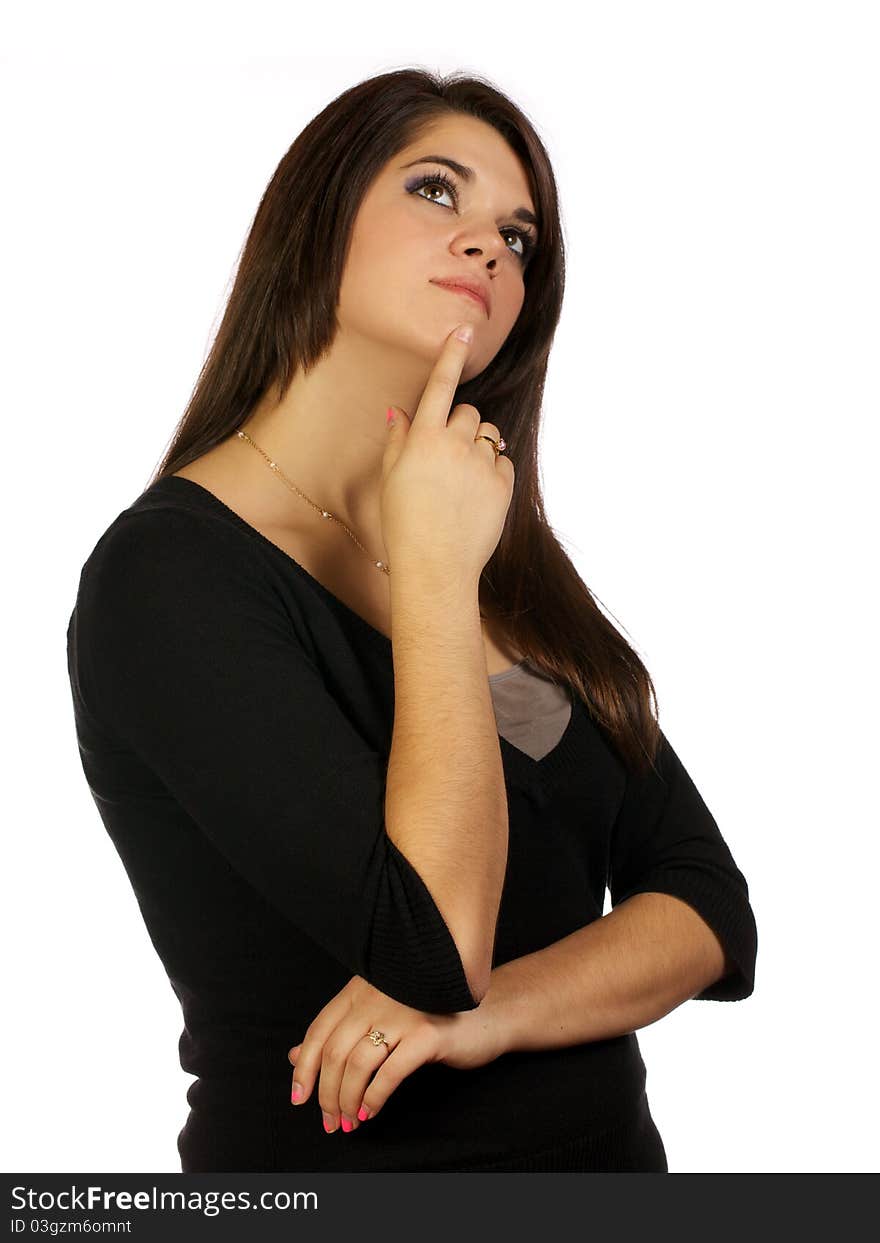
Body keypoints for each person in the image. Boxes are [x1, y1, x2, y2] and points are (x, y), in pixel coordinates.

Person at [65, 68, 758, 1173]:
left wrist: (489, 1017)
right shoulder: (171, 578)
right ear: (318, 215)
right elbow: (430, 945)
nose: (488, 245)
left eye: (518, 238)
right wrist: (433, 581)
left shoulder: (488, 556)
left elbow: (706, 906)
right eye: (438, 191)